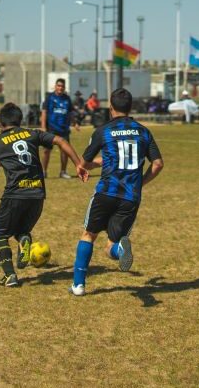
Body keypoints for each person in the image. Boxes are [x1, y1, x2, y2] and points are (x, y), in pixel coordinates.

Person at [70, 88, 164, 296]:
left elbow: (85, 162)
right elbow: (157, 164)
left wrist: (85, 166)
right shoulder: (143, 131)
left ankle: (78, 285)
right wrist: (140, 183)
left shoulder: (103, 131)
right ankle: (120, 250)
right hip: (130, 197)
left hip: (105, 192)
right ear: (130, 108)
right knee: (111, 245)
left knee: (88, 235)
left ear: (110, 108)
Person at [0, 103, 88, 287]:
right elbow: (60, 141)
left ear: (0, 122)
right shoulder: (33, 133)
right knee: (21, 231)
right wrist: (78, 164)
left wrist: (1, 160)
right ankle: (24, 239)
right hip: (37, 195)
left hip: (14, 194)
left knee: (1, 235)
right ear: (20, 120)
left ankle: (10, 275)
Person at [40, 78, 80, 178]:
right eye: (58, 86)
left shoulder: (67, 99)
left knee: (64, 151)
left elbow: (70, 113)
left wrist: (75, 123)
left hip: (64, 130)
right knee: (46, 151)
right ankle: (43, 172)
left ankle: (63, 172)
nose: (60, 88)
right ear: (55, 86)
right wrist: (43, 126)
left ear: (64, 87)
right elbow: (44, 112)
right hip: (51, 129)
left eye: (62, 86)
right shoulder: (49, 97)